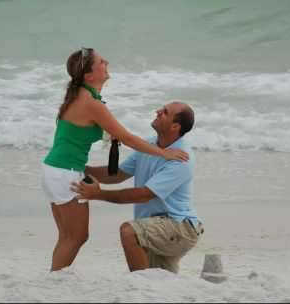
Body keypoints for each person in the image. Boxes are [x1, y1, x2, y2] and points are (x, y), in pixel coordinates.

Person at [42, 48, 189, 272]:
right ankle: (53, 279)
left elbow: (77, 132)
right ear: (89, 76)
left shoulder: (81, 95)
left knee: (67, 236)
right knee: (76, 237)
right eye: (101, 62)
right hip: (66, 172)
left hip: (56, 169)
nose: (106, 62)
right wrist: (165, 153)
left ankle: (52, 278)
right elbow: (127, 137)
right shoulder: (91, 103)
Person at [71, 101, 203, 274]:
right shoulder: (150, 144)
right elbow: (117, 174)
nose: (157, 111)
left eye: (165, 112)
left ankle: (140, 286)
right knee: (162, 284)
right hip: (156, 225)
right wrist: (80, 167)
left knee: (129, 232)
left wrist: (98, 194)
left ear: (175, 126)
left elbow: (144, 195)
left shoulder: (181, 158)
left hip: (179, 227)